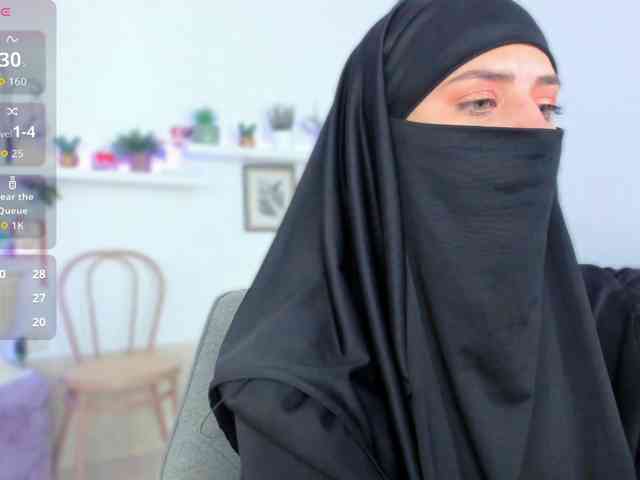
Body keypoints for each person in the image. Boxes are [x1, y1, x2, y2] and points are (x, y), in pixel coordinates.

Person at [209, 0, 640, 478]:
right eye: (481, 102)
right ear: (381, 136)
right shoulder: (297, 395)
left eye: (547, 106)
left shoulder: (596, 313)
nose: (535, 129)